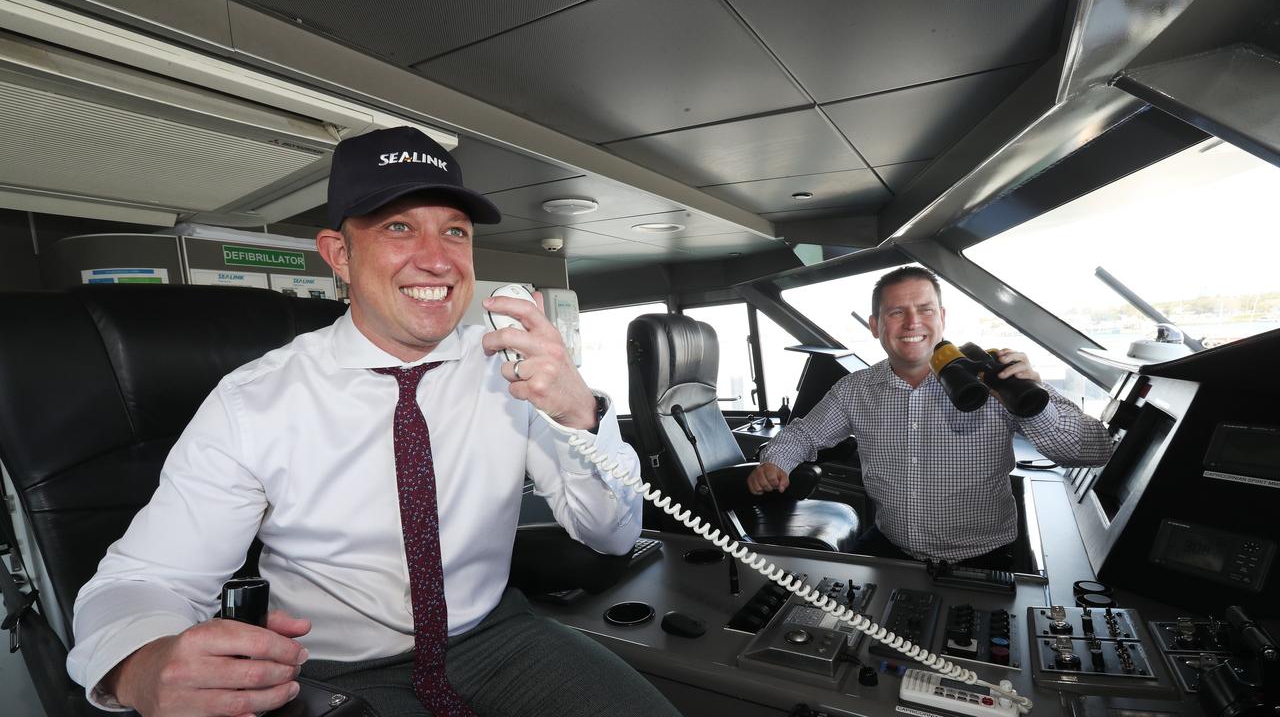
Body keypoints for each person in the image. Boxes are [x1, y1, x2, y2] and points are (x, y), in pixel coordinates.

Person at [67, 126, 680, 717]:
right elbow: (145, 580)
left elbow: (612, 535)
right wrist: (141, 665)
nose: (438, 260)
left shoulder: (510, 368)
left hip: (497, 639)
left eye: (456, 232)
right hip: (328, 666)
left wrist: (582, 415)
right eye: (398, 227)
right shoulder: (252, 402)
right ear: (340, 253)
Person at [747, 266, 1112, 569]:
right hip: (890, 547)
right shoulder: (855, 390)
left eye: (924, 309)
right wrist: (775, 461)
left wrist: (1031, 402)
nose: (911, 323)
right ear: (876, 326)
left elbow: (1093, 449)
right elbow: (803, 435)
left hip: (985, 557)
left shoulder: (992, 377)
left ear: (941, 318)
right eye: (896, 313)